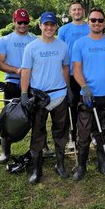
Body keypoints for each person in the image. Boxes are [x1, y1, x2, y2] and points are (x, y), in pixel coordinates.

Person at [21, 12, 72, 184]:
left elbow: (65, 68)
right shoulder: (31, 47)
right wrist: (23, 94)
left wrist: (69, 88)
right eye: (46, 24)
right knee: (37, 133)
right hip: (39, 97)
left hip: (60, 95)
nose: (49, 27)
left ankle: (60, 164)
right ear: (40, 25)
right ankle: (37, 169)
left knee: (60, 131)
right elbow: (26, 71)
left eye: (52, 24)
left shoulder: (63, 46)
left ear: (56, 26)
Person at [72, 8, 105, 181]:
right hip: (87, 96)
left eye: (100, 20)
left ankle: (102, 161)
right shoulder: (79, 44)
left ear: (104, 22)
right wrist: (84, 87)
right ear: (88, 22)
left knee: (104, 131)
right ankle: (81, 166)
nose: (97, 23)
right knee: (84, 133)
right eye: (93, 20)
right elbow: (76, 69)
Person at [0, 9, 36, 163]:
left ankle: (39, 147)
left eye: (25, 22)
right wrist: (16, 70)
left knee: (35, 116)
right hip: (12, 82)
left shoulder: (33, 39)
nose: (23, 25)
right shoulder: (5, 40)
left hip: (31, 82)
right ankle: (5, 151)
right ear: (14, 21)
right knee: (8, 116)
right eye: (20, 22)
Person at [58, 0, 90, 148]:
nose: (77, 12)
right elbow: (61, 52)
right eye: (74, 10)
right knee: (71, 106)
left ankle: (90, 135)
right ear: (70, 12)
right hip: (70, 74)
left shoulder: (90, 27)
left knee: (88, 105)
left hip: (88, 73)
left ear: (83, 11)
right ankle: (72, 137)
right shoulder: (63, 30)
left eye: (79, 9)